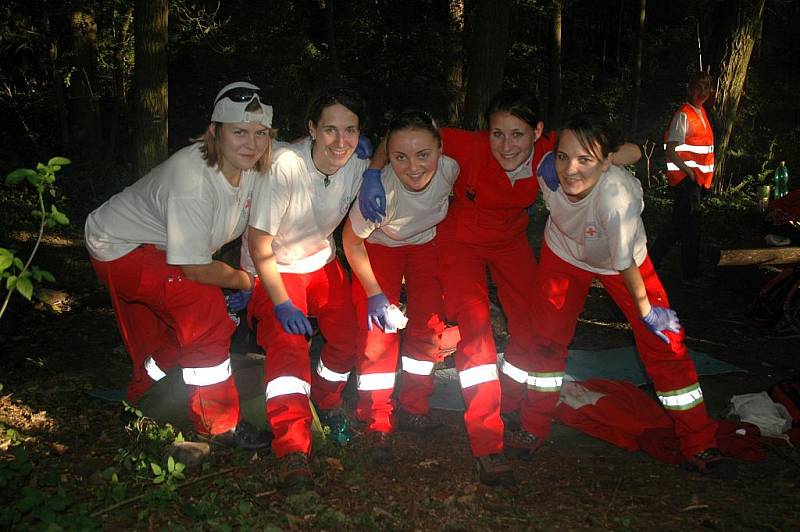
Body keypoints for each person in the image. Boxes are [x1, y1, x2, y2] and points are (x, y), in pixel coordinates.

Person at [359, 89, 641, 486]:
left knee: (532, 326)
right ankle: (487, 443)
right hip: (461, 243)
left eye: (518, 135)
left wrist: (590, 157)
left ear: (538, 132)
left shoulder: (552, 149)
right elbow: (404, 138)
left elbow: (633, 151)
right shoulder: (469, 146)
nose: (507, 145)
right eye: (498, 134)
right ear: (486, 132)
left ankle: (508, 402)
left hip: (510, 243)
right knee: (476, 334)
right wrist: (374, 170)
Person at [519, 113, 724, 474]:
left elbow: (626, 263)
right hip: (564, 254)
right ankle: (531, 426)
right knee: (545, 340)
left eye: (585, 160)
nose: (570, 170)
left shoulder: (616, 197)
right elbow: (622, 150)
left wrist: (648, 312)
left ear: (604, 161)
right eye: (564, 157)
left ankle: (699, 441)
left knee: (665, 343)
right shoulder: (546, 166)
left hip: (624, 264)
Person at [85, 81, 274, 448]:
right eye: (239, 132)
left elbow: (309, 155)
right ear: (214, 133)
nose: (252, 143)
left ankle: (141, 397)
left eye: (260, 133)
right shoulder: (193, 179)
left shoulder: (254, 161)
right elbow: (196, 269)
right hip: (121, 247)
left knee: (176, 331)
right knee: (205, 315)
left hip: (161, 246)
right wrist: (246, 281)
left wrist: (370, 161)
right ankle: (219, 427)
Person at [247, 87, 371, 492]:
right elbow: (257, 242)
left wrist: (375, 167)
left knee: (351, 338)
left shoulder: (357, 160)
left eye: (350, 130)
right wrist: (281, 302)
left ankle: (327, 399)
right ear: (312, 129)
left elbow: (391, 151)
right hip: (274, 267)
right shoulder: (285, 164)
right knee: (289, 349)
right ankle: (292, 448)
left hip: (319, 260)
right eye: (331, 129)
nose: (341, 141)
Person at [342, 110, 459, 454]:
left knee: (429, 325)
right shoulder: (381, 192)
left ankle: (416, 407)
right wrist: (375, 293)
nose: (413, 167)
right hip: (379, 246)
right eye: (400, 157)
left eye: (424, 155)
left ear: (440, 148)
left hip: (426, 245)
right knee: (377, 332)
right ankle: (377, 418)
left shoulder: (451, 168)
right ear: (389, 155)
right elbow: (351, 241)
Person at [649, 71, 715, 282]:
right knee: (686, 226)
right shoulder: (684, 114)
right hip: (686, 181)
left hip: (697, 182)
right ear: (689, 88)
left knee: (683, 227)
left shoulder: (702, 112)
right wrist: (688, 173)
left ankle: (666, 266)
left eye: (706, 87)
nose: (702, 92)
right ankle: (687, 272)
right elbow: (671, 149)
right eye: (698, 87)